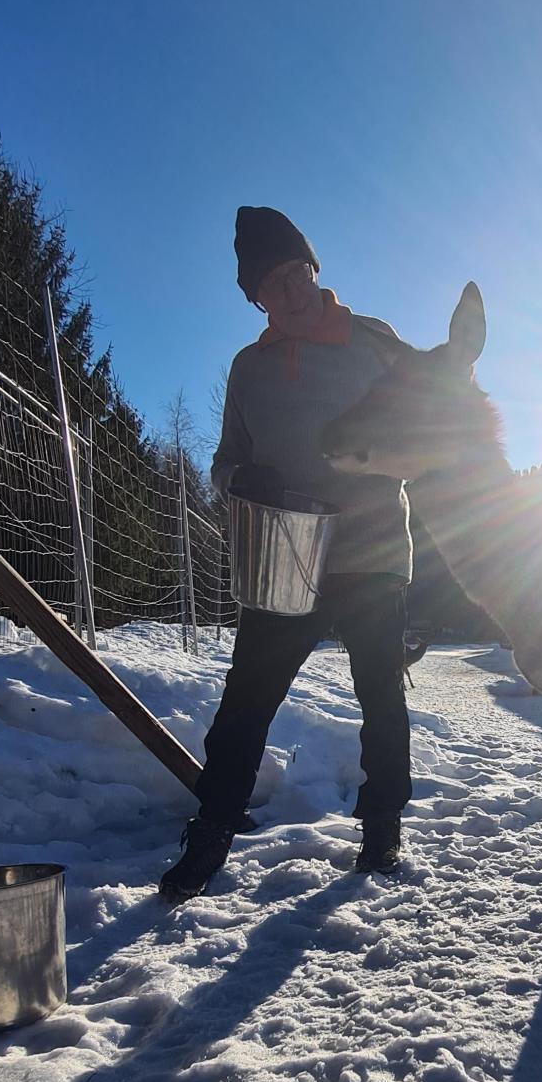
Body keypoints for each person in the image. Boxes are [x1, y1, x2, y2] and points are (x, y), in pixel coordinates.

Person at [159, 206, 412, 902]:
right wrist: (242, 480)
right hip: (287, 552)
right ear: (256, 298)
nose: (292, 290)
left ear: (315, 270)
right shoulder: (249, 369)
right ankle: (211, 830)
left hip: (370, 547)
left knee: (379, 692)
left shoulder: (373, 341)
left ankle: (383, 823)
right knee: (246, 697)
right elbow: (222, 463)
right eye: (273, 282)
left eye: (298, 271)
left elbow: (424, 424)